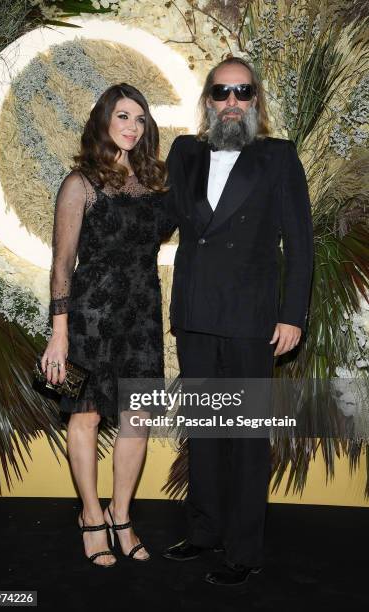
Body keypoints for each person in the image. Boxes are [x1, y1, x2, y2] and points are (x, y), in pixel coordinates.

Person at [162, 57, 314, 585]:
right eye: (221, 92)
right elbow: (161, 217)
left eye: (242, 93)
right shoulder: (184, 152)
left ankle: (244, 550)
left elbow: (299, 244)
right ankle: (204, 532)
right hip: (196, 313)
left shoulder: (277, 157)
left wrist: (292, 315)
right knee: (203, 430)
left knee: (247, 436)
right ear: (208, 99)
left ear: (255, 101)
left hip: (252, 319)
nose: (231, 103)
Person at [41, 83, 175, 568]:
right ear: (104, 120)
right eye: (123, 116)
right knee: (87, 415)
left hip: (141, 318)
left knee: (137, 418)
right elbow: (61, 265)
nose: (132, 127)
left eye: (140, 119)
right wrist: (59, 335)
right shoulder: (81, 183)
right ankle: (91, 516)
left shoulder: (155, 186)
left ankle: (122, 516)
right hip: (88, 318)